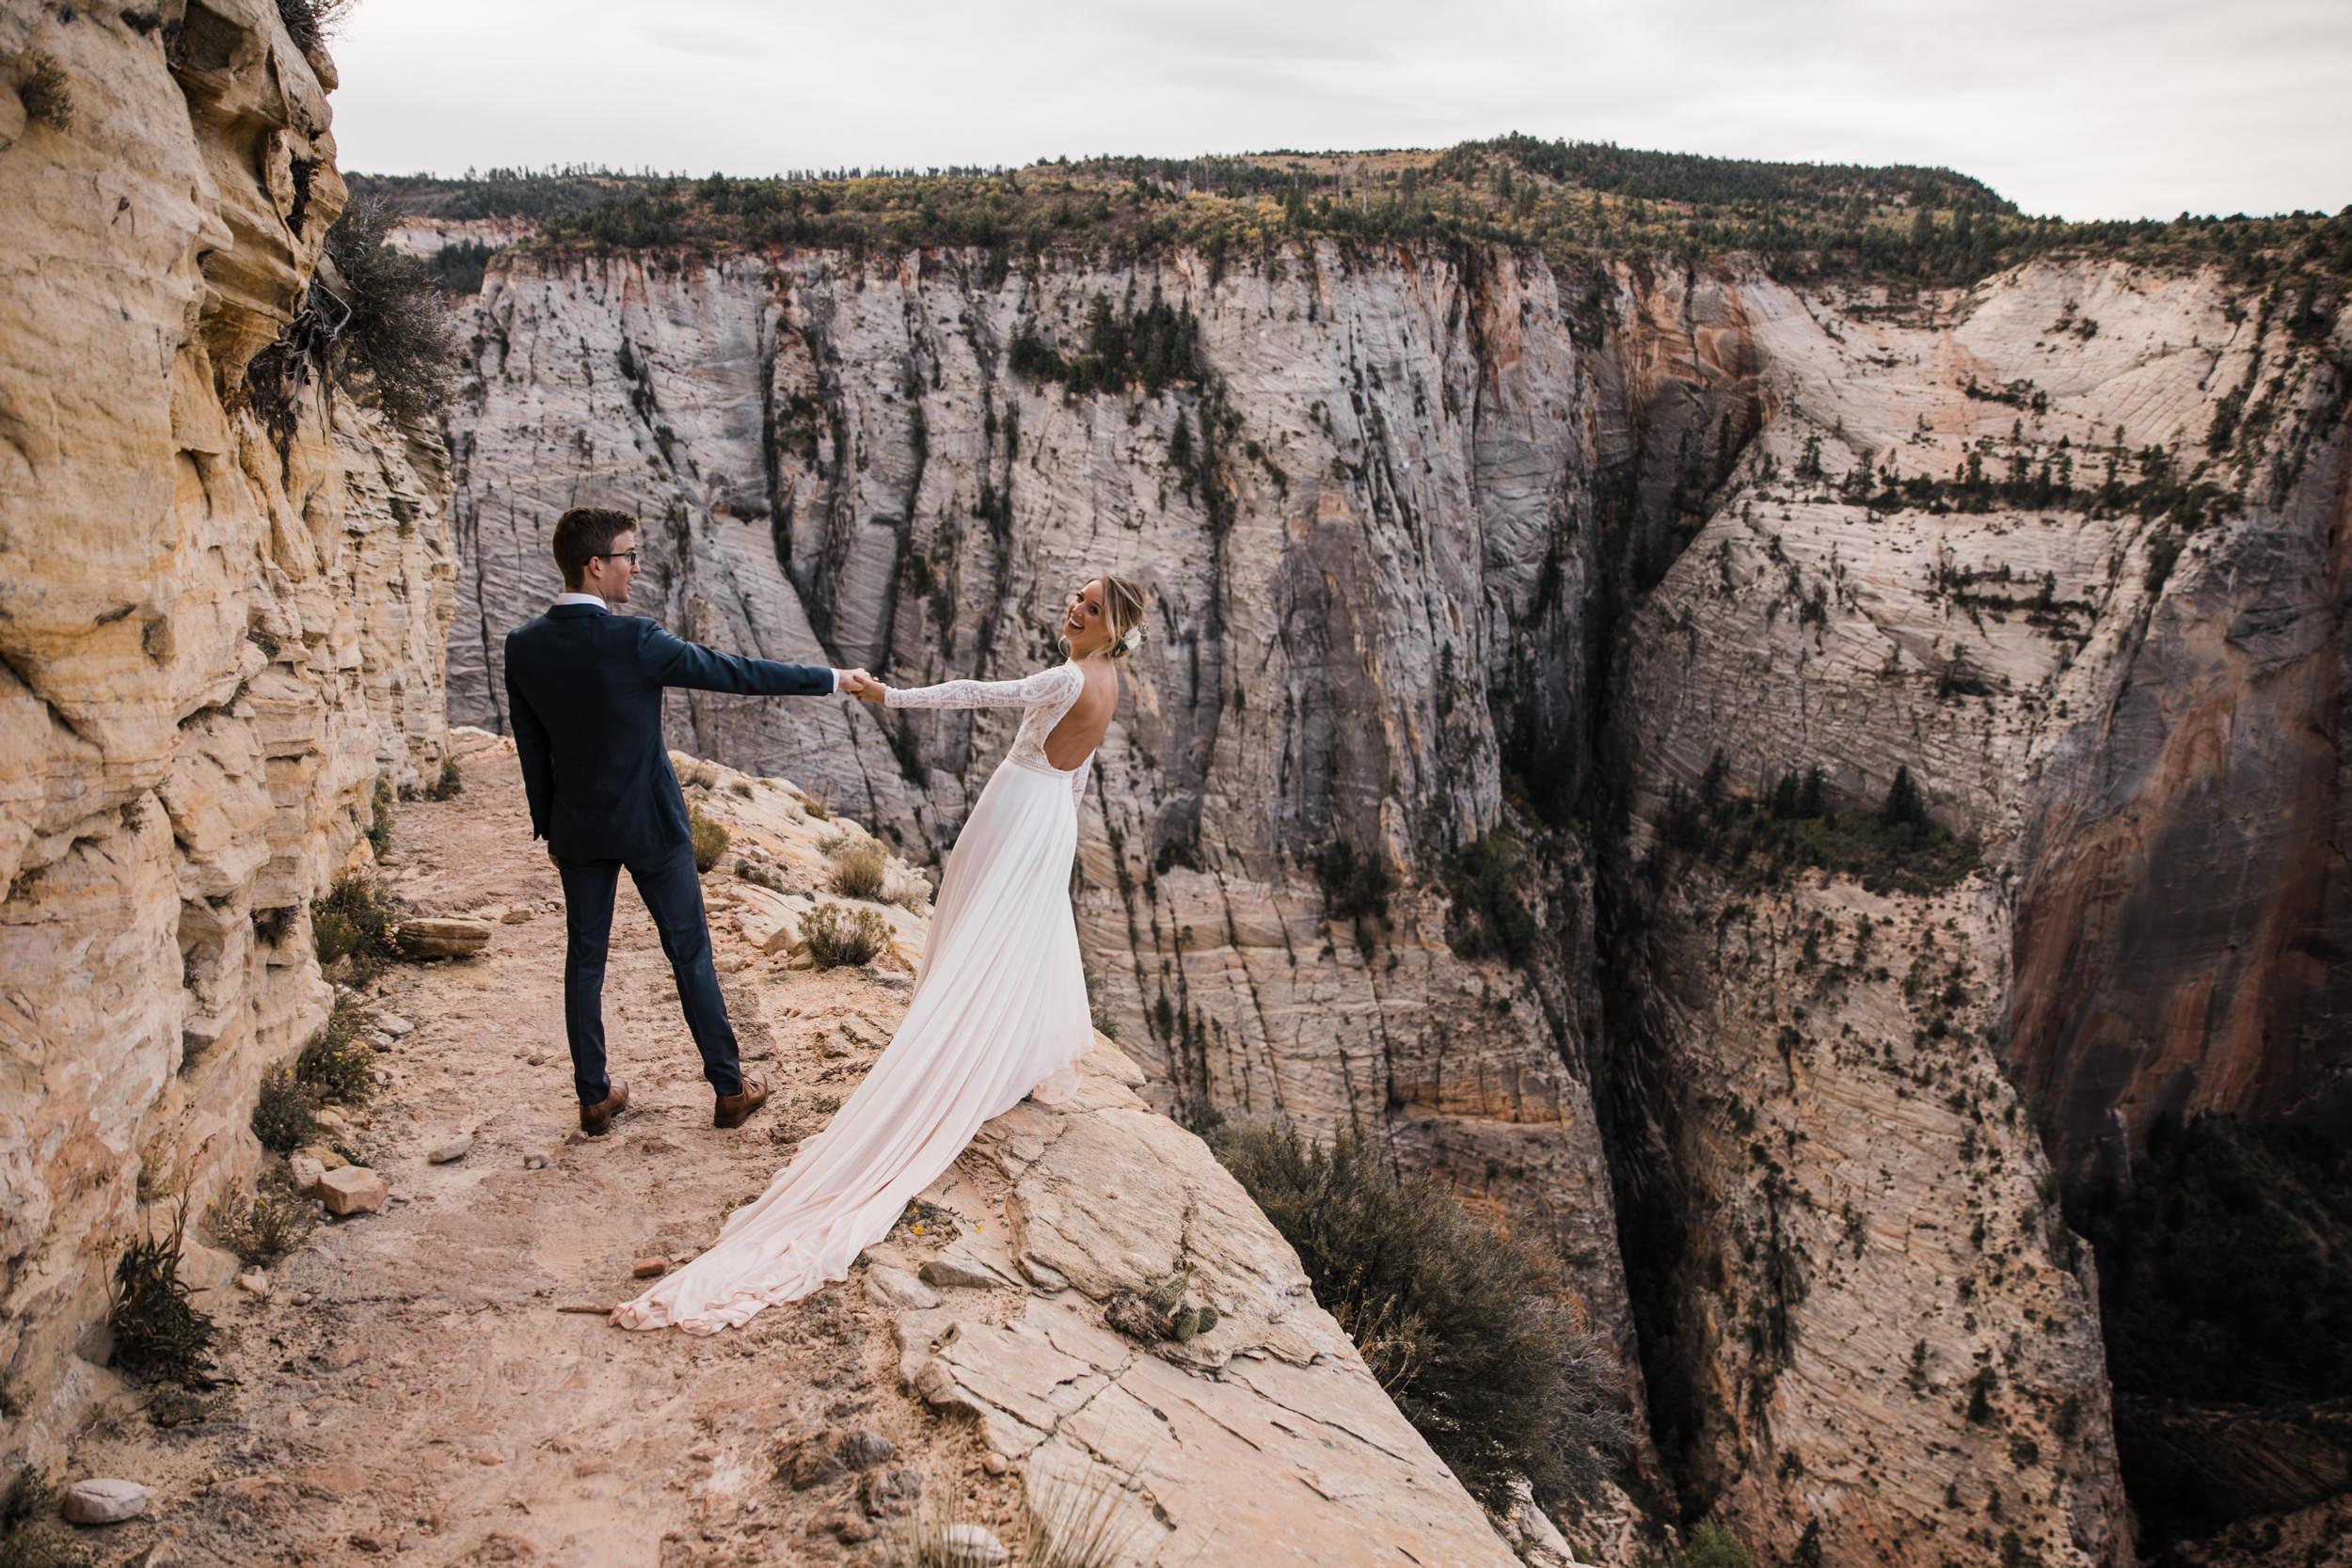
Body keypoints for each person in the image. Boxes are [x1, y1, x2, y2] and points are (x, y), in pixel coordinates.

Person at [614, 574, 1149, 1334]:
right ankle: (1002, 1050)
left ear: (1112, 625)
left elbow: (974, 691)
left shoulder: (1066, 675)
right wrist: (1057, 831)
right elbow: (1082, 772)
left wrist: (888, 698)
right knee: (1019, 936)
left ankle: (946, 1047)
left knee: (971, 927)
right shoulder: (1110, 683)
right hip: (1050, 816)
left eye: (1091, 607)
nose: (1075, 608)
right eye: (1076, 597)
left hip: (1017, 806)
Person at [503, 506, 877, 1136]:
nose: (636, 566)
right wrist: (833, 679)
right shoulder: (636, 639)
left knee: (584, 959)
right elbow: (736, 673)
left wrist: (550, 828)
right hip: (652, 825)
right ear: (596, 566)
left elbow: (532, 747)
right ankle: (729, 1087)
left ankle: (594, 1096)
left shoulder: (525, 645)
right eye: (628, 554)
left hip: (580, 829)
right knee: (690, 952)